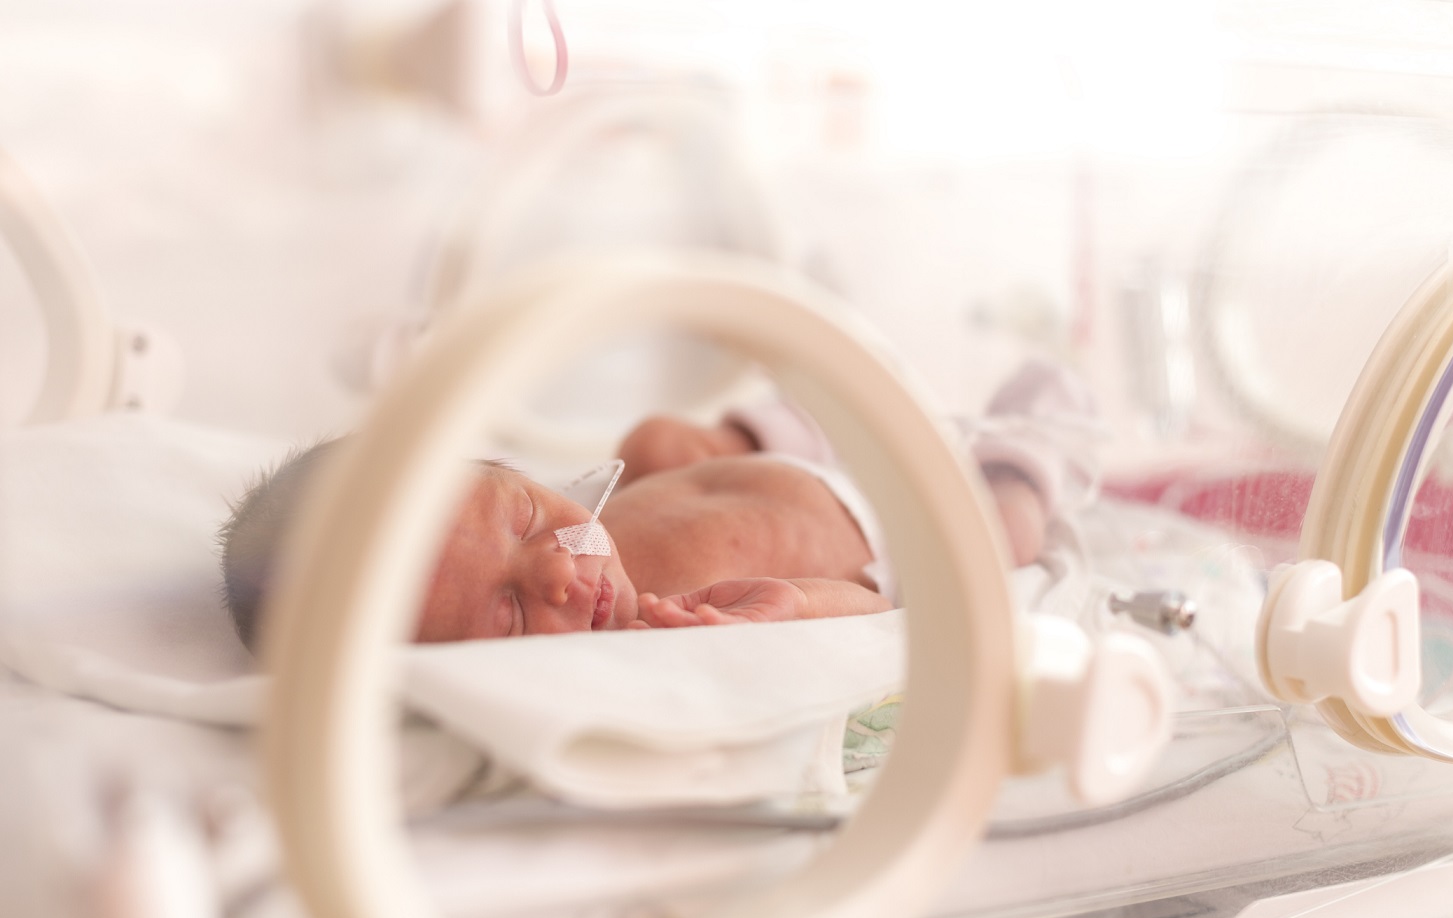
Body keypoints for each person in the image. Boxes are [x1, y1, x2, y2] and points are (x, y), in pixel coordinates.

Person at [219, 359, 1097, 647]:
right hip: (905, 535)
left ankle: (891, 405)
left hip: (797, 457)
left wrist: (685, 459)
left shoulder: (581, 535)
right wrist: (792, 610)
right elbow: (872, 615)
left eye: (524, 518)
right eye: (513, 618)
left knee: (663, 445)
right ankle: (1032, 444)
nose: (563, 572)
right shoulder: (662, 630)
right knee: (1002, 537)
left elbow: (593, 510)